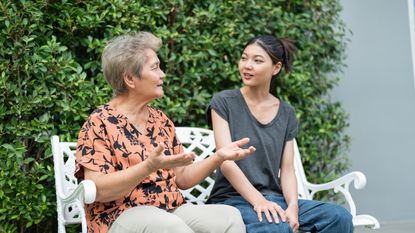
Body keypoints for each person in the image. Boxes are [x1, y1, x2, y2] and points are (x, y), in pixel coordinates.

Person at [75, 31, 256, 233]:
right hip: (119, 215)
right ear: (130, 79)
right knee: (168, 226)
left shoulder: (160, 120)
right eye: (155, 68)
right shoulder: (99, 123)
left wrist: (218, 157)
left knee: (229, 218)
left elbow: (182, 178)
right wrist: (148, 167)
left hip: (170, 208)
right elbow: (99, 189)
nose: (162, 74)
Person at [206, 35, 354, 233]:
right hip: (232, 199)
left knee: (338, 217)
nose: (247, 65)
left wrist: (292, 207)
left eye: (257, 60)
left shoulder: (286, 112)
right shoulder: (224, 103)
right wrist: (258, 201)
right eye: (244, 58)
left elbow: (287, 169)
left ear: (276, 68)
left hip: (274, 198)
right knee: (277, 227)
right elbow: (226, 162)